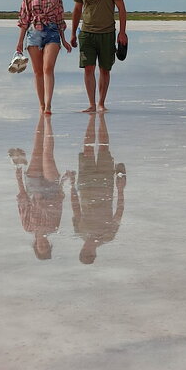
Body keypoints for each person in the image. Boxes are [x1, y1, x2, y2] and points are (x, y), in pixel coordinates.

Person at [69, 0, 127, 113]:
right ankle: (91, 104)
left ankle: (101, 102)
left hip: (107, 33)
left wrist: (122, 32)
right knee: (88, 68)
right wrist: (73, 33)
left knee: (104, 69)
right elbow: (77, 10)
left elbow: (121, 8)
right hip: (87, 33)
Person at [16, 0, 72, 114]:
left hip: (52, 31)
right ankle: (41, 105)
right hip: (33, 33)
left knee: (48, 68)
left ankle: (48, 105)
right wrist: (20, 42)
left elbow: (60, 17)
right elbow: (24, 19)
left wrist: (64, 39)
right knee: (38, 71)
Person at [69, 113, 125, 264]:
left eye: (84, 251)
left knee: (87, 149)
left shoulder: (79, 231)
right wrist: (120, 190)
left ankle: (93, 118)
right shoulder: (108, 236)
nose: (87, 249)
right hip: (105, 185)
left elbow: (75, 208)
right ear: (94, 253)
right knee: (104, 148)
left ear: (81, 249)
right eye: (89, 253)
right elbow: (119, 212)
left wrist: (72, 186)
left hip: (85, 185)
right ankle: (101, 118)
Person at [10, 115, 66, 260]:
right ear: (49, 245)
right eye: (47, 247)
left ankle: (42, 116)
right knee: (47, 153)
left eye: (42, 247)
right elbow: (59, 203)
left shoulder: (28, 227)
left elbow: (23, 202)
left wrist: (18, 178)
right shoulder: (54, 227)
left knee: (37, 148)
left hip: (34, 188)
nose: (44, 245)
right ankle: (48, 120)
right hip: (50, 188)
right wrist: (63, 182)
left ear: (36, 246)